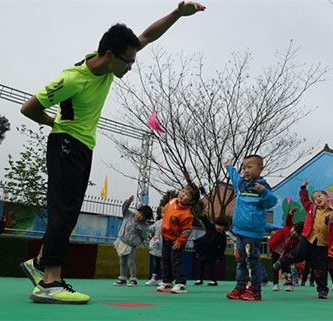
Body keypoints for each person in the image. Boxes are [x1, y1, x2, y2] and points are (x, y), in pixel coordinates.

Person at [19, 2, 206, 304]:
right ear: (109, 56)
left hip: (83, 147)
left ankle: (39, 263)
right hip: (65, 143)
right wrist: (56, 122)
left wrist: (176, 14)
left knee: (69, 213)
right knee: (63, 213)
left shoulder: (108, 66)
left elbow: (146, 35)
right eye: (128, 62)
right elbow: (30, 107)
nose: (131, 66)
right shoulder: (72, 79)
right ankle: (49, 282)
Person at [273, 179, 333, 299]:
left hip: (322, 244)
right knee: (296, 254)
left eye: (319, 196)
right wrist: (303, 189)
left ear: (327, 197)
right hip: (307, 239)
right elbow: (304, 200)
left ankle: (322, 290)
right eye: (315, 198)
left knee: (320, 268)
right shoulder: (311, 208)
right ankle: (281, 262)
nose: (317, 199)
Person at [224, 155, 278, 301]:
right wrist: (229, 167)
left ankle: (255, 290)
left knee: (252, 261)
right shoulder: (241, 184)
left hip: (253, 232)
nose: (246, 170)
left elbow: (272, 201)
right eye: (244, 167)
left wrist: (264, 192)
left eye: (250, 167)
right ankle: (240, 287)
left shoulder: (262, 186)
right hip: (239, 231)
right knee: (240, 260)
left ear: (260, 168)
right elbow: (235, 177)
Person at [156, 183, 200, 294]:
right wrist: (163, 212)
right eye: (183, 191)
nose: (183, 194)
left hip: (176, 241)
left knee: (176, 261)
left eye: (187, 195)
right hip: (165, 237)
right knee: (165, 260)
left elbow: (187, 230)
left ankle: (181, 283)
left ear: (191, 201)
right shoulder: (172, 201)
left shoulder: (186, 215)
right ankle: (167, 281)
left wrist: (180, 241)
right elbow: (165, 209)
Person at [112, 195, 153, 286]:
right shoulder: (129, 214)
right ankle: (122, 278)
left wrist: (143, 235)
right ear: (137, 211)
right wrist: (128, 202)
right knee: (122, 261)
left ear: (145, 218)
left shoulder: (143, 225)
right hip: (122, 241)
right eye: (139, 213)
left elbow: (145, 236)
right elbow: (124, 208)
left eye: (143, 216)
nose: (139, 216)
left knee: (131, 261)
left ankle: (133, 279)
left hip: (131, 245)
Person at [193, 215, 229, 286]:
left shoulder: (223, 236)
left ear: (224, 228)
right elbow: (206, 221)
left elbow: (222, 247)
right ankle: (200, 279)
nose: (219, 227)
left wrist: (220, 257)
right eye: (218, 225)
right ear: (215, 224)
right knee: (201, 264)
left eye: (221, 226)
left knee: (212, 266)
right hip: (203, 249)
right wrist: (202, 214)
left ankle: (213, 280)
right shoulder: (211, 227)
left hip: (213, 252)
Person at [268, 207, 297, 291]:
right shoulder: (289, 226)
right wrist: (290, 212)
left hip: (285, 253)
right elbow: (288, 219)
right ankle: (275, 284)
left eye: (295, 233)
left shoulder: (296, 240)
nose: (293, 232)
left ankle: (289, 284)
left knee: (286, 268)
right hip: (276, 250)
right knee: (274, 267)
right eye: (293, 230)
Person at [145, 208, 164, 286]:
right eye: (163, 213)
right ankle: (154, 279)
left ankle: (166, 279)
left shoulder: (172, 223)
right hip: (157, 248)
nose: (164, 214)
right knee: (156, 264)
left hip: (167, 248)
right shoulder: (157, 223)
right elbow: (150, 230)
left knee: (166, 264)